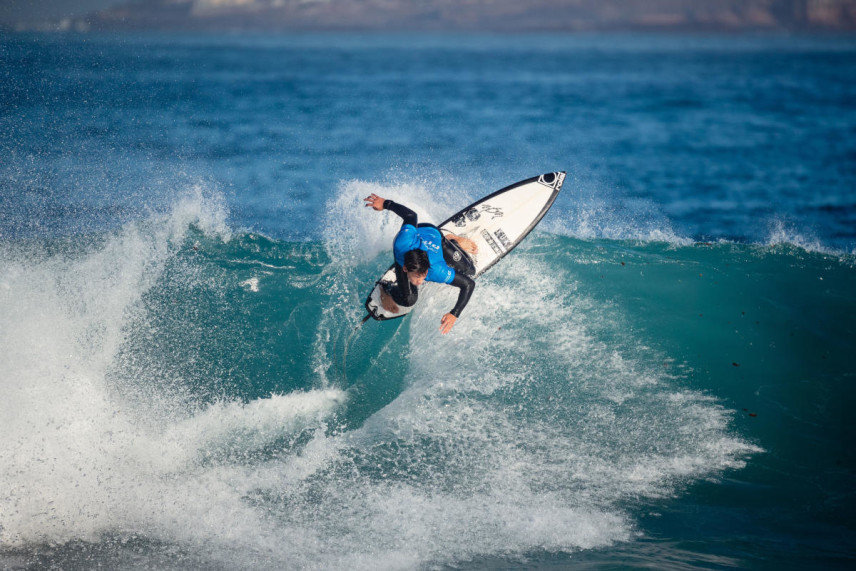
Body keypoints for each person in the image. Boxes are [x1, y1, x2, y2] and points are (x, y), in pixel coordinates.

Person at [364, 193, 478, 334]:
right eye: (417, 277)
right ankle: (385, 288)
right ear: (405, 269)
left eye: (423, 276)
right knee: (408, 300)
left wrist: (455, 313)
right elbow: (410, 216)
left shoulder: (437, 270)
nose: (420, 281)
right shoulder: (403, 242)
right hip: (415, 237)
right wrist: (386, 204)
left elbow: (468, 284)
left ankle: (453, 240)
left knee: (470, 271)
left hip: (433, 235)